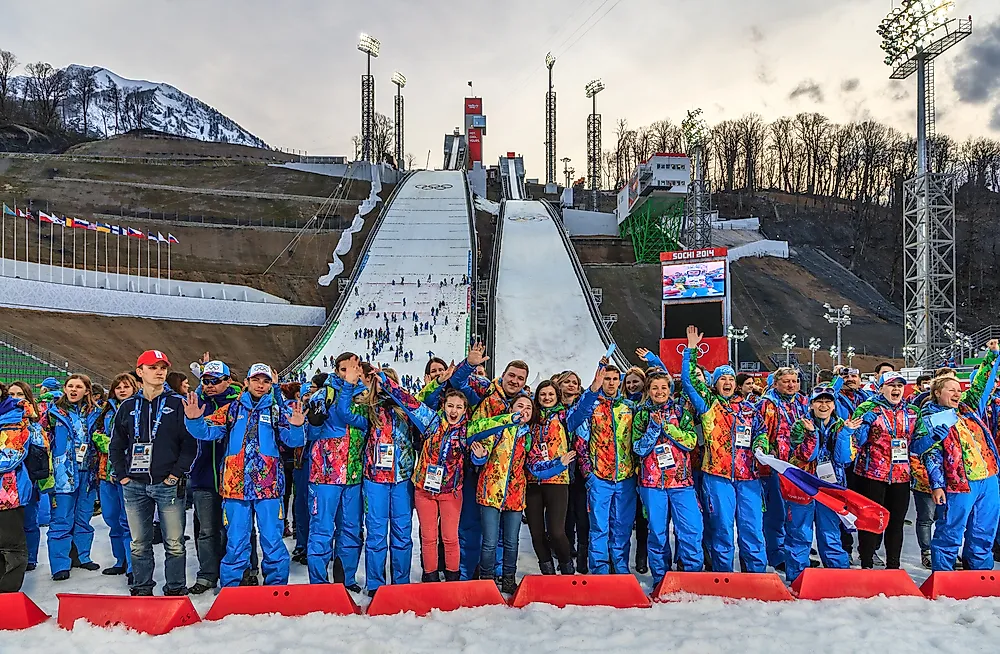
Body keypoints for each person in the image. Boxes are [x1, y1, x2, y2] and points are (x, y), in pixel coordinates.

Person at [184, 363, 306, 587]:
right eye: (257, 380)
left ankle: (276, 587)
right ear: (247, 382)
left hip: (268, 487)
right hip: (235, 486)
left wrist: (298, 427)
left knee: (272, 539)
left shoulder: (277, 410)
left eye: (266, 381)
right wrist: (193, 420)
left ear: (271, 385)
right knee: (236, 540)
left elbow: (293, 441)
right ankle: (231, 586)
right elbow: (206, 432)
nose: (261, 385)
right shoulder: (232, 409)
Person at [110, 349, 197, 596]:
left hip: (167, 483)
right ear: (140, 372)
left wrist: (176, 474)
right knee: (139, 543)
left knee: (174, 543)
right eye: (153, 367)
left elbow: (189, 444)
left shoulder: (177, 403)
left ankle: (176, 589)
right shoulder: (127, 406)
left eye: (163, 367)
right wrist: (122, 475)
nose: (159, 372)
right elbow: (116, 445)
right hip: (134, 484)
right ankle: (142, 588)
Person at [681, 326, 767, 573]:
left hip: (748, 477)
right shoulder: (708, 405)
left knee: (752, 528)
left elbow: (760, 433)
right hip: (718, 476)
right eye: (722, 379)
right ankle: (723, 574)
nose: (727, 382)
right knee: (722, 528)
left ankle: (756, 574)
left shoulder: (750, 409)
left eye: (731, 378)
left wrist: (761, 447)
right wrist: (691, 350)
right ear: (715, 384)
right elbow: (688, 381)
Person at [470, 395, 573, 593]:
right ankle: (487, 579)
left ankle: (509, 578)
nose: (523, 410)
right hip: (491, 491)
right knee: (490, 541)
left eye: (528, 407)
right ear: (511, 408)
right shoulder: (499, 428)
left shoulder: (527, 437)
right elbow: (481, 455)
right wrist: (479, 456)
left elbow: (534, 465)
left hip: (515, 495)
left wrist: (558, 464)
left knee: (511, 541)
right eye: (519, 406)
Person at [913, 341, 1000, 571]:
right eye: (951, 389)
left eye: (959, 389)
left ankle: (979, 571)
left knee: (984, 529)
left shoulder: (968, 409)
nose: (957, 392)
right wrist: (937, 484)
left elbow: (982, 384)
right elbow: (922, 450)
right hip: (958, 482)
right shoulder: (930, 416)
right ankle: (943, 574)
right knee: (950, 530)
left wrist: (992, 356)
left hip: (988, 478)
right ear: (937, 392)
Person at [451, 342, 531, 579]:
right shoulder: (487, 389)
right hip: (475, 466)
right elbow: (458, 383)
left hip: (504, 476)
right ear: (503, 375)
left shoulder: (522, 405)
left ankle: (495, 573)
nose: (514, 381)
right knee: (471, 525)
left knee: (498, 532)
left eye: (520, 378)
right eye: (511, 376)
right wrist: (470, 365)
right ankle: (467, 572)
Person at [783, 386, 861, 582]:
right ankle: (797, 577)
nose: (824, 405)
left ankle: (837, 576)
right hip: (804, 485)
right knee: (800, 532)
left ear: (834, 405)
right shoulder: (800, 425)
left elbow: (844, 459)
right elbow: (806, 455)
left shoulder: (843, 425)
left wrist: (845, 434)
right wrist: (812, 434)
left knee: (830, 532)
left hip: (830, 487)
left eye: (828, 401)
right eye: (819, 401)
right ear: (812, 404)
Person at [305, 352, 369, 592]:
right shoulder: (325, 394)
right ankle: (318, 583)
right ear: (336, 370)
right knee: (322, 528)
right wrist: (313, 423)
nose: (350, 373)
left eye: (354, 368)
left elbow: (362, 423)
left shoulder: (364, 397)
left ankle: (346, 579)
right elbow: (310, 434)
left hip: (353, 474)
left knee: (351, 529)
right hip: (325, 474)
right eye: (345, 369)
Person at [632, 370, 702, 585]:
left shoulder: (681, 412)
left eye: (663, 387)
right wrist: (654, 429)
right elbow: (638, 448)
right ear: (648, 390)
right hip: (652, 484)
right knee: (657, 533)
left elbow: (691, 442)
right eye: (655, 388)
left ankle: (692, 576)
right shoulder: (641, 414)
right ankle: (661, 578)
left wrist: (669, 428)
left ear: (670, 389)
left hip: (681, 482)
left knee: (691, 529)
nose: (659, 391)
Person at [186, 360, 248, 593]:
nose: (210, 385)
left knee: (238, 528)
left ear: (228, 380)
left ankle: (245, 570)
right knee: (207, 529)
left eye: (215, 381)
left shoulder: (240, 403)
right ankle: (207, 574)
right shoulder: (198, 402)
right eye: (206, 381)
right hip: (204, 475)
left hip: (236, 477)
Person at [357, 367, 419, 596]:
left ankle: (401, 581)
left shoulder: (406, 410)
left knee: (402, 532)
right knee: (375, 532)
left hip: (402, 478)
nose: (385, 385)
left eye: (390, 381)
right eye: (381, 381)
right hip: (375, 479)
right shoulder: (367, 407)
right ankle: (375, 583)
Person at [572, 358, 637, 575]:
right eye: (607, 379)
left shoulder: (629, 408)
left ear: (620, 382)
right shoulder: (591, 407)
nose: (610, 383)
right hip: (599, 477)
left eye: (614, 379)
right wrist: (589, 474)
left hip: (625, 477)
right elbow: (580, 442)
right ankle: (599, 568)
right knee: (599, 527)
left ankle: (620, 568)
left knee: (622, 527)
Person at [850, 371, 918, 570]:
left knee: (896, 523)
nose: (896, 389)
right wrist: (864, 425)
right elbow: (857, 442)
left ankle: (893, 566)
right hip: (871, 474)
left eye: (899, 385)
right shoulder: (867, 408)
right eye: (891, 385)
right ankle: (867, 563)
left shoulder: (912, 412)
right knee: (871, 521)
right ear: (881, 388)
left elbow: (917, 445)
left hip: (901, 475)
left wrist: (932, 438)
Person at [525, 380, 588, 576]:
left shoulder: (564, 417)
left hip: (558, 481)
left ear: (557, 396)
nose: (547, 398)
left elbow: (583, 409)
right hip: (532, 481)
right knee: (536, 533)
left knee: (556, 531)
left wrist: (594, 386)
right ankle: (547, 571)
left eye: (551, 394)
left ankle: (567, 567)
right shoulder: (531, 418)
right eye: (543, 394)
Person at [44, 374, 100, 581]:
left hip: (88, 472)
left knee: (84, 517)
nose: (74, 390)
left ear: (87, 390)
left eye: (79, 386)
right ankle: (60, 564)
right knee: (61, 519)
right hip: (63, 473)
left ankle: (82, 556)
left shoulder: (96, 413)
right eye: (70, 386)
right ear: (65, 389)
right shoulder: (52, 413)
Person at [754, 365, 808, 571]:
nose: (791, 385)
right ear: (776, 383)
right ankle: (776, 555)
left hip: (798, 466)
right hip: (774, 467)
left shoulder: (803, 403)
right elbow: (759, 433)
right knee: (776, 513)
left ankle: (795, 554)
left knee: (795, 513)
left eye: (794, 381)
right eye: (786, 381)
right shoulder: (766, 404)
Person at [0, 381, 48, 593]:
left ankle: (8, 595)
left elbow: (10, 457)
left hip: (8, 492)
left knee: (11, 547)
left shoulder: (14, 420)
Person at [90, 373, 137, 579]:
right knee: (111, 518)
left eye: (126, 387)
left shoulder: (140, 408)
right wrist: (106, 442)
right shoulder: (106, 411)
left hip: (130, 473)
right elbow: (96, 434)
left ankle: (133, 566)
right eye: (118, 387)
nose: (122, 390)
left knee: (129, 521)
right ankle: (120, 560)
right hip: (106, 472)